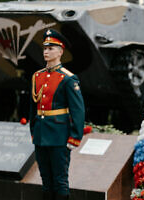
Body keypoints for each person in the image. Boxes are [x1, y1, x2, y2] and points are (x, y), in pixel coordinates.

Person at [29, 29, 85, 200]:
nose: (46, 51)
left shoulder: (68, 78)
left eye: (51, 48)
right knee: (46, 179)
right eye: (45, 48)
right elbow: (33, 108)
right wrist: (33, 132)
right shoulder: (37, 76)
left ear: (60, 51)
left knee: (60, 180)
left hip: (59, 136)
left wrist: (75, 137)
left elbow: (78, 110)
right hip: (40, 135)